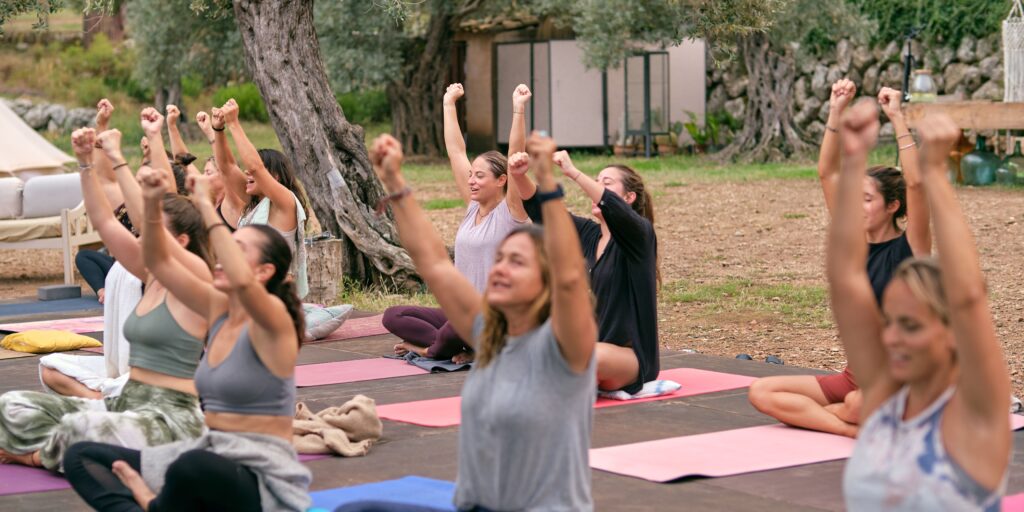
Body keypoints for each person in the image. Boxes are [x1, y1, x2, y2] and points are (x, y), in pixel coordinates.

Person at [371, 132, 596, 510]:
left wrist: (550, 187)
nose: (501, 268)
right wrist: (394, 183)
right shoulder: (488, 332)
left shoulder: (566, 348)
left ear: (547, 279)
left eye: (517, 261)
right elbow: (434, 262)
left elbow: (571, 276)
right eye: (502, 257)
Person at [64, 169, 311, 512]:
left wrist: (206, 207)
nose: (220, 257)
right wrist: (150, 205)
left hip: (258, 473)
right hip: (208, 451)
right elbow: (157, 260)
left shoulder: (274, 322)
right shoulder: (217, 311)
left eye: (236, 250)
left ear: (263, 272)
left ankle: (154, 505)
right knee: (83, 456)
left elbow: (240, 281)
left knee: (191, 467)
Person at [0, 123, 211, 471]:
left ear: (182, 242)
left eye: (150, 229)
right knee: (11, 405)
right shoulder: (150, 274)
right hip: (126, 404)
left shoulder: (195, 281)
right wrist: (85, 163)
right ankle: (75, 449)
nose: (141, 233)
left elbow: (150, 224)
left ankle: (35, 456)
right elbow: (104, 222)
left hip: (170, 418)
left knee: (77, 427)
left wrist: (120, 161)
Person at [832, 101, 1011, 510]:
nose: (891, 336)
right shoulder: (883, 398)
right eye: (891, 322)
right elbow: (844, 280)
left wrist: (934, 173)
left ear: (951, 333)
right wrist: (855, 157)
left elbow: (967, 295)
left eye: (911, 326)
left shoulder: (977, 415)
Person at [747, 81, 931, 437]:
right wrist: (835, 110)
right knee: (762, 391)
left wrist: (896, 117)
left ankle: (848, 416)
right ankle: (849, 430)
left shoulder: (912, 248)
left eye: (866, 199)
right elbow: (827, 173)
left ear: (892, 206)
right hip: (855, 378)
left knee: (855, 405)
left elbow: (918, 185)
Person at [383, 83, 530, 363]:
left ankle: (428, 350)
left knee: (455, 328)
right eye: (471, 175)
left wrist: (518, 109)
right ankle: (464, 348)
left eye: (480, 176)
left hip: (496, 318)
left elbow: (515, 156)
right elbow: (456, 152)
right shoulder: (473, 206)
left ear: (501, 181)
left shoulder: (512, 212)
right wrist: (448, 104)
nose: (471, 181)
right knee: (394, 316)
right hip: (461, 314)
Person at [509, 148, 659, 394]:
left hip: (631, 360)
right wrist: (518, 176)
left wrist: (573, 173)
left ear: (629, 197)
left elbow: (611, 205)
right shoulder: (590, 235)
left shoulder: (639, 236)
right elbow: (546, 213)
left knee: (582, 357)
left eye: (606, 182)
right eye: (596, 180)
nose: (597, 187)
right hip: (590, 349)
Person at [211, 99, 311, 298]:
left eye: (254, 169)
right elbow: (227, 167)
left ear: (275, 177)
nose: (246, 170)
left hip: (274, 294)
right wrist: (218, 129)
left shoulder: (285, 203)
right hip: (248, 288)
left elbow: (256, 167)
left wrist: (234, 124)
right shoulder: (256, 204)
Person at [196, 110, 241, 231]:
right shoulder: (206, 203)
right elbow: (185, 164)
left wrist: (211, 132)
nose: (202, 176)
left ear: (222, 176)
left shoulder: (233, 205)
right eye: (204, 172)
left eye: (208, 172)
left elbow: (227, 167)